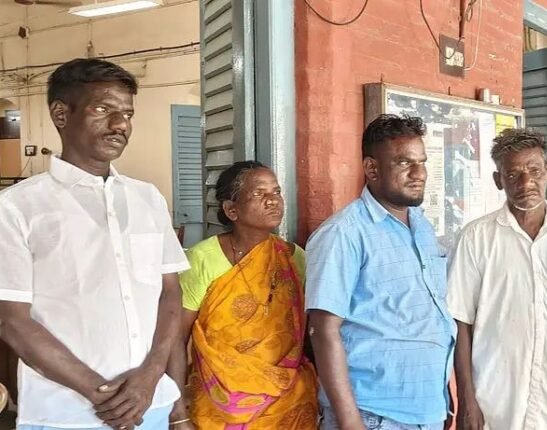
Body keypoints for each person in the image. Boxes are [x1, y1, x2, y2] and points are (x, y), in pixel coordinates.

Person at [0, 58, 189, 430]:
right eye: (103, 110)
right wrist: (103, 394)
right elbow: (12, 321)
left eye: (127, 114)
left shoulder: (147, 198)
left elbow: (169, 293)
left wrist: (151, 376)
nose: (120, 125)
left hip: (150, 406)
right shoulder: (17, 207)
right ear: (61, 114)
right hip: (64, 415)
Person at [447, 129, 547, 430]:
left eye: (534, 170)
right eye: (513, 174)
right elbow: (461, 323)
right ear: (498, 180)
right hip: (496, 405)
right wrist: (467, 400)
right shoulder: (476, 239)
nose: (526, 183)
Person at [306, 114, 456, 430]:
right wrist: (350, 422)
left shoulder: (421, 226)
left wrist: (441, 397)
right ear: (372, 169)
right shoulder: (344, 233)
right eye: (404, 163)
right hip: (372, 416)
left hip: (426, 411)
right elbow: (323, 331)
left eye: (422, 162)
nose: (419, 173)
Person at [166, 161, 318, 429]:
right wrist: (178, 412)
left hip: (288, 404)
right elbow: (175, 337)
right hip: (221, 406)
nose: (273, 200)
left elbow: (309, 334)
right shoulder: (203, 259)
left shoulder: (294, 258)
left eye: (277, 192)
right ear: (231, 209)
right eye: (259, 193)